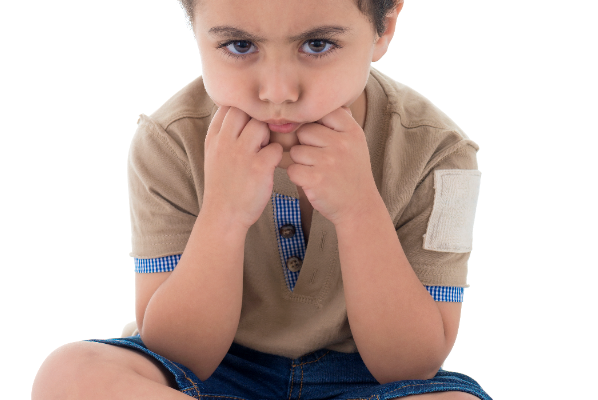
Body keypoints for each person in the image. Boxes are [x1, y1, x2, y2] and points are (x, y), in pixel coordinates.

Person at [32, 0, 491, 399]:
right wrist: (224, 215)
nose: (277, 92)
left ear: (383, 26)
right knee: (69, 375)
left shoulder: (440, 155)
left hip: (366, 385)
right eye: (240, 45)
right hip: (213, 378)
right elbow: (176, 353)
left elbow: (412, 367)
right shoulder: (167, 142)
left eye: (317, 45)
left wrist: (358, 210)